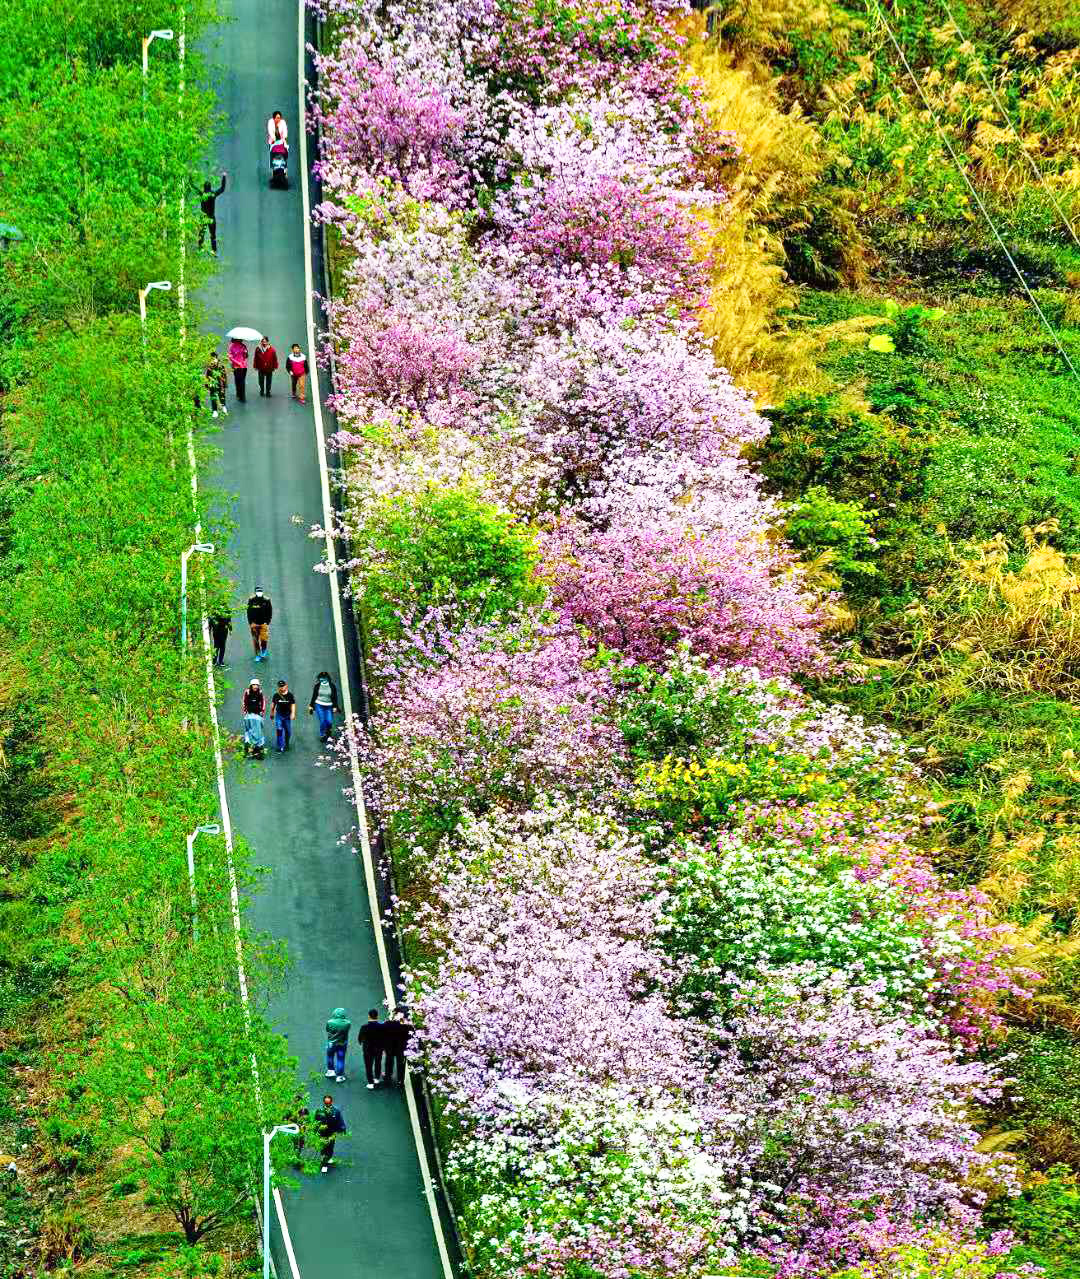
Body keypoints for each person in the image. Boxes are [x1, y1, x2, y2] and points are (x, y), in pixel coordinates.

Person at [314, 1095, 345, 1174]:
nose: (327, 1104)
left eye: (329, 1103)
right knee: (324, 1148)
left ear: (331, 1102)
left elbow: (340, 1120)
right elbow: (315, 1122)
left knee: (330, 1147)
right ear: (324, 1102)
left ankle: (328, 1158)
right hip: (322, 1133)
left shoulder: (336, 1111)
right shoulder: (319, 1111)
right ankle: (324, 1164)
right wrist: (315, 1131)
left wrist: (342, 1128)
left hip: (332, 1133)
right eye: (326, 1103)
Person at [382, 1007, 413, 1087]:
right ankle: (400, 1081)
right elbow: (410, 1039)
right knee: (401, 1065)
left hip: (389, 1047)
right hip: (402, 1049)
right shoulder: (408, 1027)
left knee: (389, 1062)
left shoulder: (388, 1023)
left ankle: (388, 1077)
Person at [356, 1008, 386, 1090]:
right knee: (378, 1063)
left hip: (367, 1049)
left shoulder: (364, 1027)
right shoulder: (382, 1027)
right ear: (377, 1016)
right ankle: (376, 1078)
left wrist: (361, 1042)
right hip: (379, 1049)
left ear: (369, 1016)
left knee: (368, 1066)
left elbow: (360, 1038)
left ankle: (370, 1082)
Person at [308, 670, 340, 743]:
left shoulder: (332, 686)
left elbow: (335, 697)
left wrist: (335, 706)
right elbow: (314, 696)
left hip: (329, 706)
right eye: (321, 678)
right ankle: (322, 735)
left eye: (324, 678)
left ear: (328, 678)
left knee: (329, 721)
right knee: (322, 721)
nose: (323, 679)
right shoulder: (317, 686)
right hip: (319, 705)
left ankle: (328, 731)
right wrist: (311, 705)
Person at [198, 172, 227, 254]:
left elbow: (194, 188)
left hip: (203, 217)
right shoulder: (213, 194)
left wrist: (190, 179)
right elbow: (222, 188)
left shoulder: (202, 194)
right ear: (210, 187)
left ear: (204, 188)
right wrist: (224, 177)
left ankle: (200, 248)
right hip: (211, 217)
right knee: (213, 235)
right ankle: (214, 251)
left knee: (201, 234)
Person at [324, 1006, 352, 1083]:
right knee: (340, 1059)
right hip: (342, 1043)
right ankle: (339, 1076)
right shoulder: (347, 1023)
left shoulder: (329, 1022)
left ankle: (330, 1071)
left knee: (330, 1056)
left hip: (331, 1043)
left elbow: (327, 1030)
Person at [242, 678, 266, 759]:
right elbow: (244, 701)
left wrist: (262, 711)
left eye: (257, 685)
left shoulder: (260, 693)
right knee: (248, 731)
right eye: (254, 685)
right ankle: (248, 750)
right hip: (249, 714)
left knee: (258, 732)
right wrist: (245, 711)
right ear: (251, 686)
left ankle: (258, 751)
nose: (255, 686)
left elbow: (263, 702)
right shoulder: (247, 692)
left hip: (257, 715)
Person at [246, 586, 272, 661]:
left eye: (260, 591)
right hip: (254, 624)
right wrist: (250, 623)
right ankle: (257, 654)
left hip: (263, 624)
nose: (259, 592)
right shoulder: (252, 600)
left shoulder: (266, 600)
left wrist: (267, 622)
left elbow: (270, 612)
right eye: (258, 591)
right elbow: (249, 612)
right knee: (255, 640)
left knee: (264, 639)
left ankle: (263, 650)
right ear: (255, 592)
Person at [271, 679, 297, 752]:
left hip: (287, 716)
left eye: (283, 686)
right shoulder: (276, 695)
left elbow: (293, 704)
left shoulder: (290, 695)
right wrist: (272, 712)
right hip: (279, 715)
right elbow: (273, 704)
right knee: (279, 729)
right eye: (280, 686)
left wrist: (293, 713)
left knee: (288, 731)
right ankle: (280, 746)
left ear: (286, 686)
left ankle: (286, 742)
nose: (281, 688)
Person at [204, 352, 227, 419]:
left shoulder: (221, 366)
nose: (213, 360)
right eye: (212, 359)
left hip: (220, 383)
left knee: (222, 395)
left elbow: (224, 375)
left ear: (216, 358)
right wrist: (207, 384)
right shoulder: (209, 367)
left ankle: (223, 406)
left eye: (214, 358)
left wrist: (225, 383)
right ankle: (214, 410)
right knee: (213, 396)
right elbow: (207, 376)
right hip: (212, 383)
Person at [228, 337, 248, 403]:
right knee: (239, 380)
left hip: (244, 366)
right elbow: (230, 357)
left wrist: (245, 352)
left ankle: (241, 395)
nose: (241, 339)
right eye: (239, 338)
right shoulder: (232, 346)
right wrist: (237, 363)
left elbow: (245, 356)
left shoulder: (243, 345)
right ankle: (241, 396)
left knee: (242, 380)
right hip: (236, 366)